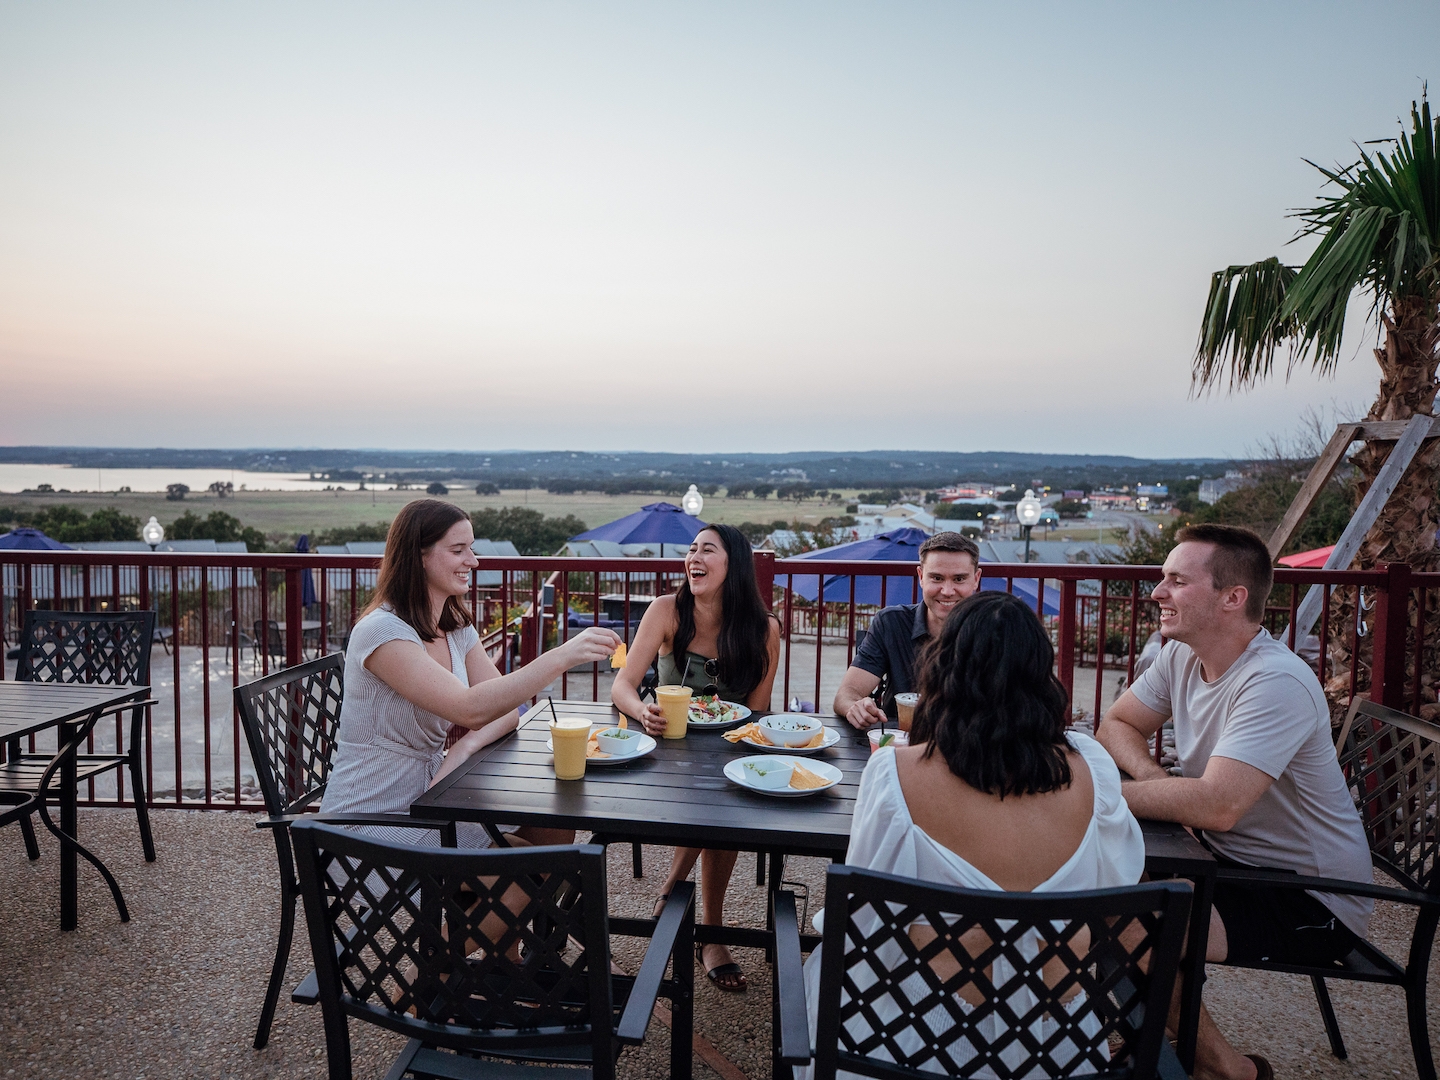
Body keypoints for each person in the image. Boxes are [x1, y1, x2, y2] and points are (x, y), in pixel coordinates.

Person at [802, 591, 1144, 1078]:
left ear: (944, 668)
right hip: (1055, 1049)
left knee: (820, 962)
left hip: (917, 1041)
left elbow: (866, 914)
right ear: (1042, 672)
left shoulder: (893, 771)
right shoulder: (1093, 768)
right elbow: (1116, 883)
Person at [1097, 523, 1372, 1080]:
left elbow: (1218, 806)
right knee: (1098, 885)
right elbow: (1118, 722)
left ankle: (1228, 1071)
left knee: (1121, 926)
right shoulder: (1182, 657)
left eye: (1176, 580)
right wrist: (1153, 779)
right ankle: (1156, 1048)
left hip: (1310, 896)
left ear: (1232, 597)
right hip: (1229, 864)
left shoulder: (1274, 682)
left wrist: (1099, 798)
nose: (1157, 592)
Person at [322, 499, 621, 849]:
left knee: (554, 826)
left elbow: (505, 709)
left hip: (433, 798)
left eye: (472, 549)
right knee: (538, 863)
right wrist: (561, 656)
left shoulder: (454, 625)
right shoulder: (383, 633)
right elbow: (471, 709)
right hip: (367, 824)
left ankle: (501, 904)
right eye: (458, 550)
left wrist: (465, 747)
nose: (473, 561)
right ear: (418, 556)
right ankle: (505, 902)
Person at [612, 522, 782, 992]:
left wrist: (742, 742)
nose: (694, 558)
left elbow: (760, 711)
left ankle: (683, 906)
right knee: (713, 800)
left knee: (724, 795)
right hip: (667, 746)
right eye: (691, 549)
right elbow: (623, 685)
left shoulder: (764, 630)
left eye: (708, 550)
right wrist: (641, 711)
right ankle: (707, 931)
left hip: (730, 748)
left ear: (735, 565)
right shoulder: (667, 610)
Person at [832, 531, 982, 729]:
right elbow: (846, 694)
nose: (947, 591)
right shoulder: (891, 623)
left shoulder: (995, 631)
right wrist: (855, 706)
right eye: (936, 578)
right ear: (921, 576)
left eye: (959, 579)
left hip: (971, 747)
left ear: (976, 579)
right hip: (900, 744)